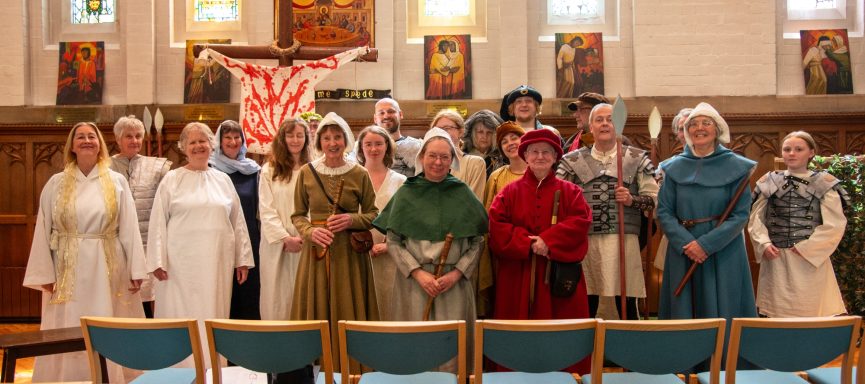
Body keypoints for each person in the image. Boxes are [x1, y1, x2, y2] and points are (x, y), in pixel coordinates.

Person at [24, 122, 147, 382]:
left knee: (106, 320)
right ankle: (65, 377)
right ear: (72, 145)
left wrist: (136, 269)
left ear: (100, 144)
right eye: (80, 137)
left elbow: (129, 227)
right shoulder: (57, 183)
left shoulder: (116, 181)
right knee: (68, 323)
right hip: (66, 266)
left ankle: (109, 376)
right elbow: (43, 228)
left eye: (92, 136)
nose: (87, 141)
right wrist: (43, 273)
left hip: (107, 263)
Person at [372, 127, 487, 371]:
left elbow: (477, 241)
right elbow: (393, 241)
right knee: (415, 350)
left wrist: (456, 274)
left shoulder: (462, 192)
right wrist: (418, 273)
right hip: (414, 285)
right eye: (432, 155)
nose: (438, 162)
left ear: (452, 159)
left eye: (445, 157)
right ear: (422, 156)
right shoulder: (407, 192)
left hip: (453, 285)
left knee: (452, 352)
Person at [656, 102, 757, 366]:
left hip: (723, 249)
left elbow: (740, 215)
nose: (699, 128)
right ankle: (684, 365)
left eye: (706, 123)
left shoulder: (737, 166)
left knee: (724, 306)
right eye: (693, 124)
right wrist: (687, 243)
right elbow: (664, 212)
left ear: (718, 128)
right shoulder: (672, 167)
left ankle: (725, 366)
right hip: (683, 249)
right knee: (684, 309)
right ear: (686, 131)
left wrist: (706, 245)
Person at [148, 122, 254, 369]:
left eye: (203, 141)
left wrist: (242, 259)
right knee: (180, 316)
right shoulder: (172, 179)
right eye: (192, 142)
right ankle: (178, 371)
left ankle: (211, 369)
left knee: (212, 314)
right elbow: (158, 221)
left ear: (211, 145)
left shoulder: (222, 180)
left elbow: (237, 221)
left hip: (216, 261)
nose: (198, 146)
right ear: (183, 147)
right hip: (179, 265)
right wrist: (157, 260)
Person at [488, 128, 592, 374]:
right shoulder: (509, 192)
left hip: (558, 275)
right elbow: (496, 226)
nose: (540, 156)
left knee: (562, 335)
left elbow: (581, 222)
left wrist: (549, 241)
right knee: (516, 335)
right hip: (517, 275)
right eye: (534, 151)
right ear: (525, 156)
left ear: (555, 157)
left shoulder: (571, 192)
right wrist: (528, 243)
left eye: (546, 152)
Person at [290, 112, 378, 372]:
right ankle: (316, 369)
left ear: (345, 139)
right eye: (326, 138)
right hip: (316, 254)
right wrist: (310, 232)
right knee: (316, 310)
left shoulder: (359, 173)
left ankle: (351, 369)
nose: (332, 143)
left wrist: (351, 220)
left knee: (348, 306)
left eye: (337, 137)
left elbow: (374, 214)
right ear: (319, 141)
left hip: (350, 257)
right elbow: (297, 215)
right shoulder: (307, 173)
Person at [557, 103, 659, 320]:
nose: (605, 124)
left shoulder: (636, 158)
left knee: (627, 301)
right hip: (585, 240)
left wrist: (631, 200)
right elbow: (558, 200)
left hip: (624, 240)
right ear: (590, 126)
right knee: (587, 298)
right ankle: (588, 342)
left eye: (610, 119)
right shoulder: (572, 161)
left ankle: (627, 340)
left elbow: (654, 201)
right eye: (599, 120)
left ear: (618, 124)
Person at [748, 131, 848, 317]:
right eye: (787, 149)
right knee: (777, 312)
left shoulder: (824, 183)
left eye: (798, 149)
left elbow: (835, 223)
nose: (791, 153)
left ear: (811, 152)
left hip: (809, 260)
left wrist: (808, 248)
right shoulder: (769, 181)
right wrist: (764, 243)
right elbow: (756, 218)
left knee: (812, 310)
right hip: (776, 258)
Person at [109, 115, 172, 318]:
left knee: (147, 301)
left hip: (147, 244)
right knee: (118, 298)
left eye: (138, 136)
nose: (134, 140)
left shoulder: (158, 167)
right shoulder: (104, 167)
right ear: (118, 139)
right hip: (115, 244)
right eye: (128, 136)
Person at [210, 120, 262, 321]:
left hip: (251, 238)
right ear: (219, 141)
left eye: (236, 137)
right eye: (227, 137)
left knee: (249, 292)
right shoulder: (210, 169)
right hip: (221, 238)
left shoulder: (253, 171)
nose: (233, 142)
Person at [259, 118, 309, 321]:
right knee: (277, 298)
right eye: (290, 135)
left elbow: (317, 206)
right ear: (282, 138)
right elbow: (266, 209)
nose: (295, 140)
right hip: (278, 244)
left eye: (300, 135)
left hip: (306, 242)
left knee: (304, 295)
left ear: (306, 139)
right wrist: (285, 238)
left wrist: (306, 235)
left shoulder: (312, 168)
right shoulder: (269, 169)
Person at [356, 125, 407, 320]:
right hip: (359, 253)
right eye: (368, 144)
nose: (373, 149)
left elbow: (405, 219)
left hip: (390, 255)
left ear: (387, 146)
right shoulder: (353, 178)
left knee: (389, 305)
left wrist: (388, 245)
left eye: (378, 144)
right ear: (361, 147)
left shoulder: (401, 181)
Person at [476, 121, 526, 317]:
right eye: (504, 141)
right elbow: (488, 215)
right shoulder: (496, 177)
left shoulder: (539, 172)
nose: (510, 143)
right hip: (504, 251)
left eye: (514, 138)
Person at [653, 107, 692, 271]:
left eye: (691, 126)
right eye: (682, 129)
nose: (688, 132)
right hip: (678, 235)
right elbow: (660, 207)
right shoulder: (666, 168)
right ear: (677, 134)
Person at [431, 109, 486, 200]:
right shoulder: (428, 163)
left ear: (460, 132)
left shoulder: (475, 163)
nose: (441, 133)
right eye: (437, 130)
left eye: (447, 128)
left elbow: (474, 203)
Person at [374, 98, 423, 177]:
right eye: (381, 113)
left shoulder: (417, 146)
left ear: (400, 114)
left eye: (391, 111)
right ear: (375, 118)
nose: (386, 116)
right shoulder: (363, 147)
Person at [463, 109, 505, 177]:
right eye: (480, 132)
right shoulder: (462, 156)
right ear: (472, 133)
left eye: (489, 132)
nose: (484, 136)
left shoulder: (502, 160)